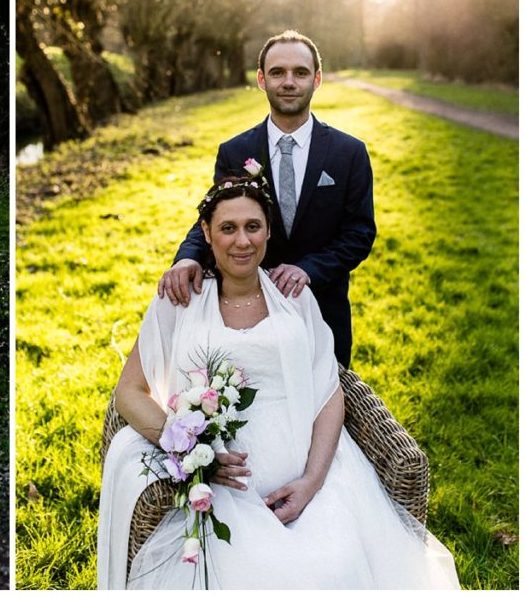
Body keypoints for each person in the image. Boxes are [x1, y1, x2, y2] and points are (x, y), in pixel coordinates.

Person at [97, 176, 459, 589]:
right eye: (228, 228)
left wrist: (311, 482)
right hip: (220, 480)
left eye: (252, 226)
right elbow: (129, 392)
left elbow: (328, 392)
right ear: (206, 233)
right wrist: (192, 451)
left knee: (335, 568)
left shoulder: (296, 298)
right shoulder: (180, 299)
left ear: (268, 229)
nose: (242, 241)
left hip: (309, 469)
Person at [158, 30, 374, 367]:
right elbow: (219, 220)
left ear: (317, 79)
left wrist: (308, 269)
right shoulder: (235, 151)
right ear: (261, 79)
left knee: (322, 409)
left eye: (300, 72)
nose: (289, 82)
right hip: (246, 312)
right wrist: (188, 258)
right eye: (277, 72)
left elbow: (359, 234)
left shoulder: (349, 153)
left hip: (322, 309)